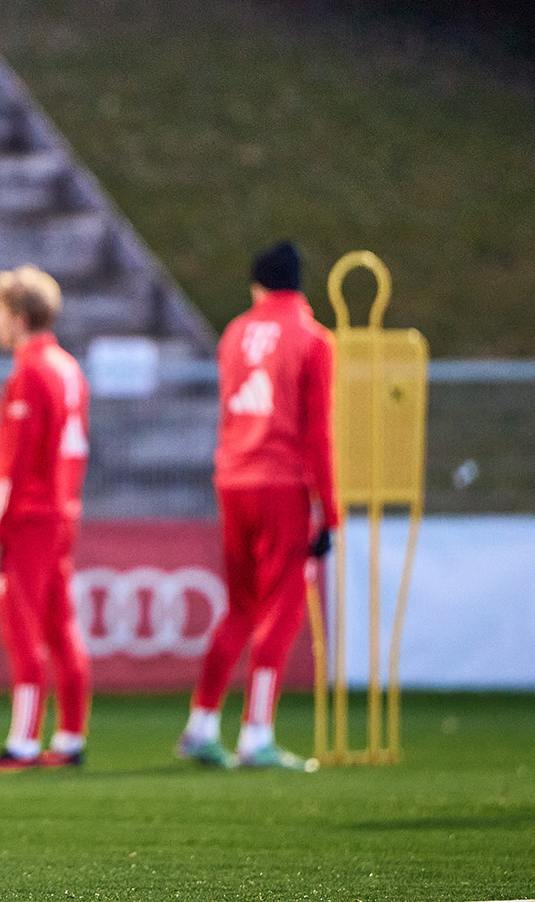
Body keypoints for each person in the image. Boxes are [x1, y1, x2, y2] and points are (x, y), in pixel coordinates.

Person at [176, 239, 337, 771]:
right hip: (283, 482)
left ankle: (201, 724)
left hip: (234, 479)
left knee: (240, 606)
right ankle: (256, 733)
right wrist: (330, 510)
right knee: (282, 608)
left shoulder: (236, 332)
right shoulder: (313, 339)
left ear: (257, 284)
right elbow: (318, 433)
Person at [0, 265, 92, 773]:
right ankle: (71, 735)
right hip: (62, 511)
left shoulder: (28, 373)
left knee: (23, 630)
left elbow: (17, 462)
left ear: (17, 317)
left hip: (30, 517)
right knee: (61, 625)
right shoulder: (68, 367)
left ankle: (22, 742)